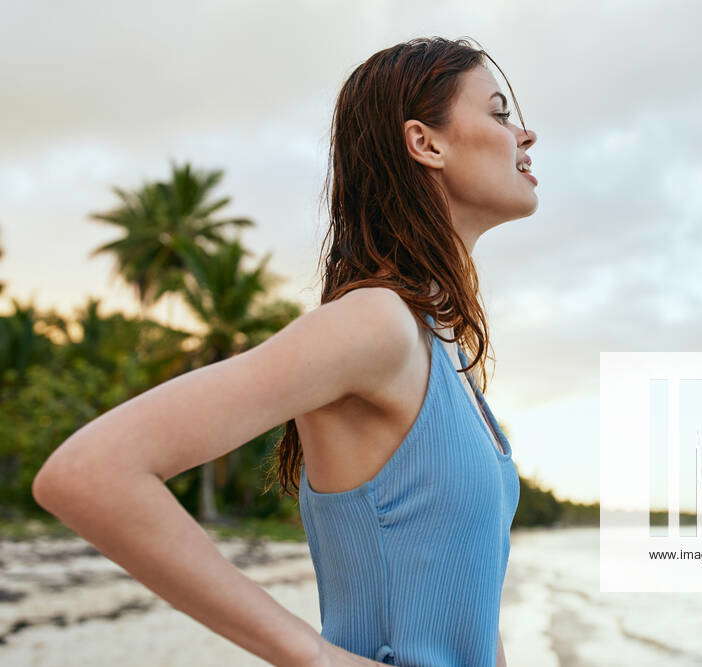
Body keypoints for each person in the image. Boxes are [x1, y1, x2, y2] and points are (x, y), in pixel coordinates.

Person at [31, 36, 538, 666]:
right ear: (425, 143)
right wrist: (317, 659)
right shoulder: (376, 323)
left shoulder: (438, 346)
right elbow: (87, 474)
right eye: (497, 112)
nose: (525, 134)